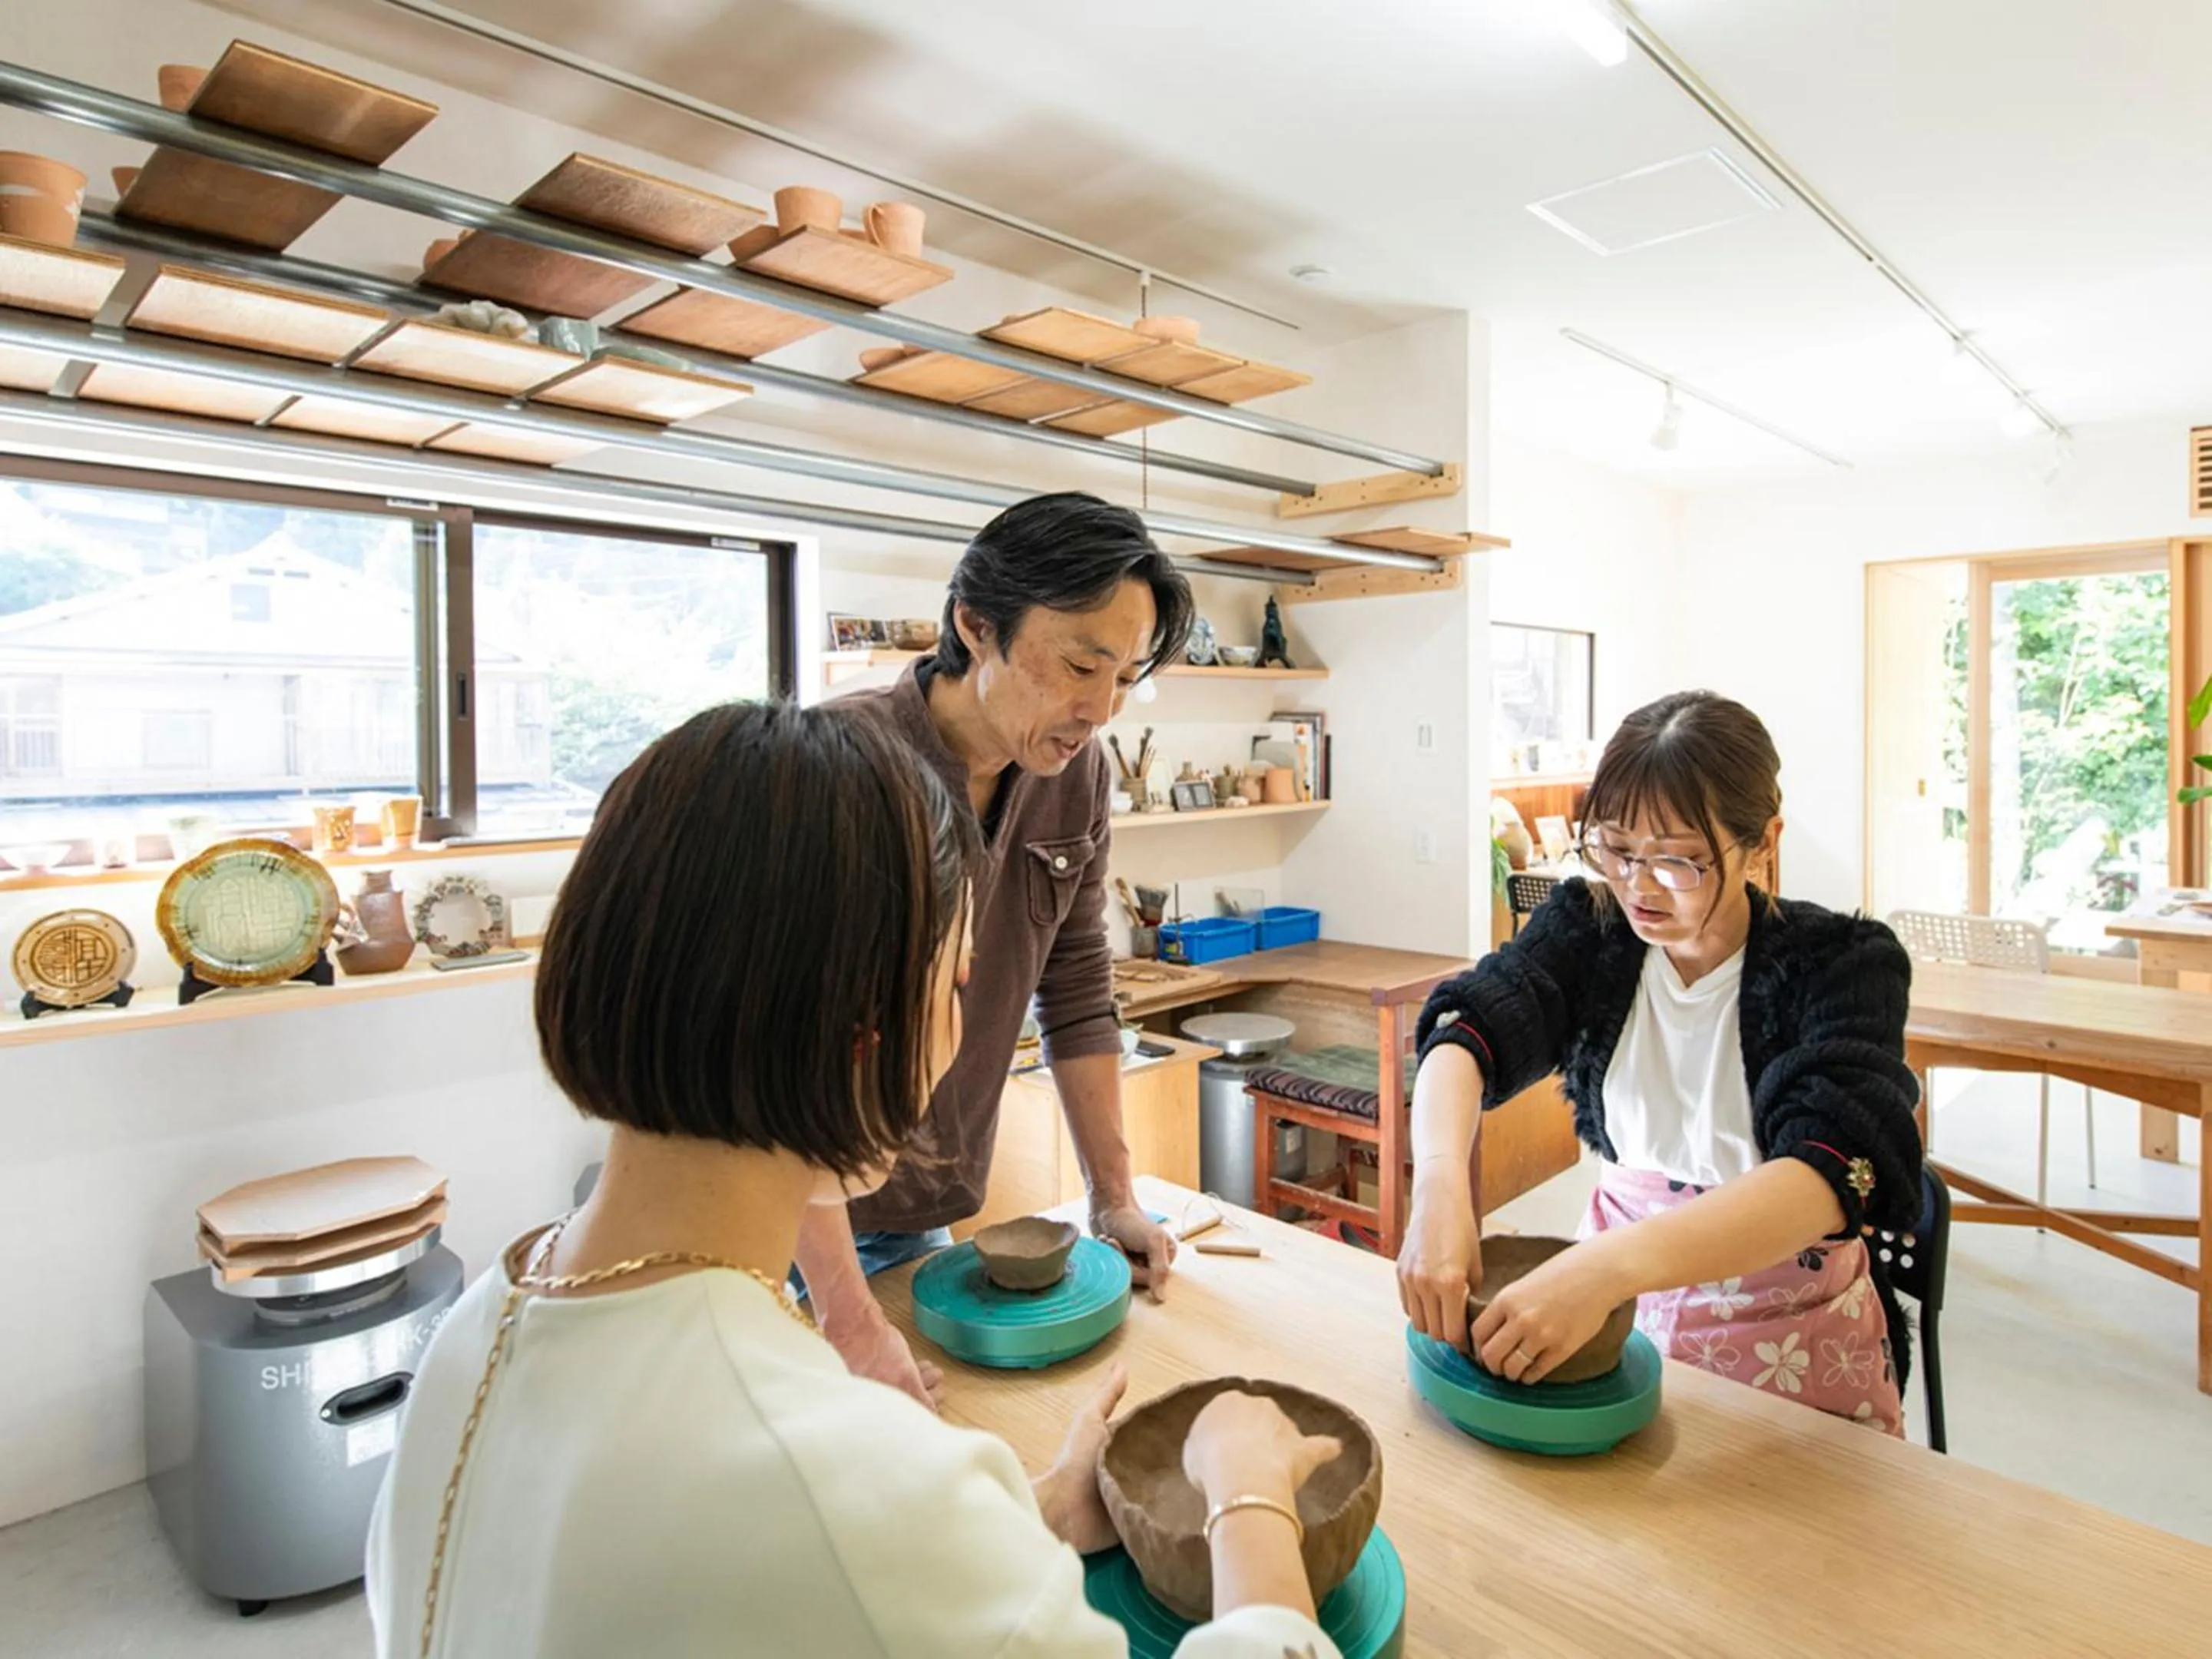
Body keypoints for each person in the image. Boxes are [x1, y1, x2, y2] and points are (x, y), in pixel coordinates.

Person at [366, 701, 1347, 1657]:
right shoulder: (837, 1476)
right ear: (861, 1032)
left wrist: (1026, 1519)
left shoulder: (472, 1335)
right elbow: (846, 1540)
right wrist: (1248, 1503)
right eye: (959, 983)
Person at [1396, 691, 1924, 1432]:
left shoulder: (1844, 963)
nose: (1638, 885)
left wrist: (1607, 1267)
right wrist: (1442, 1187)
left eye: (1677, 859)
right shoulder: (1593, 929)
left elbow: (1838, 1169)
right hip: (1614, 1310)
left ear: (1762, 841)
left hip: (1790, 1331)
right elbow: (1466, 1027)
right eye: (1615, 848)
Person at [805, 491, 1197, 1409]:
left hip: (917, 1222)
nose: (1099, 708)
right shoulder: (834, 764)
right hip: (780, 1225)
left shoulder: (1078, 775)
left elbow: (1075, 985)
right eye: (1079, 664)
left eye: (1126, 678)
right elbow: (774, 1049)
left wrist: (1112, 1196)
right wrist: (841, 1310)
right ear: (976, 626)